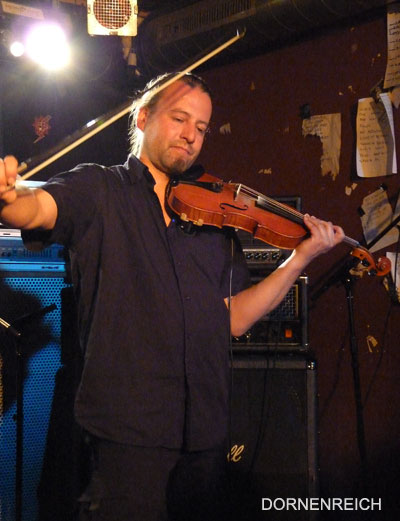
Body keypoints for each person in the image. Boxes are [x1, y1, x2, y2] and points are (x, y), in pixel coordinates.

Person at [0, 73, 345, 521]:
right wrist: (8, 198)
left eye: (201, 127)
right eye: (179, 119)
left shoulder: (213, 217)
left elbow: (233, 319)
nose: (191, 136)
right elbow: (37, 208)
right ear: (143, 118)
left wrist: (300, 258)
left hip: (204, 437)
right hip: (126, 437)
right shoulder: (100, 189)